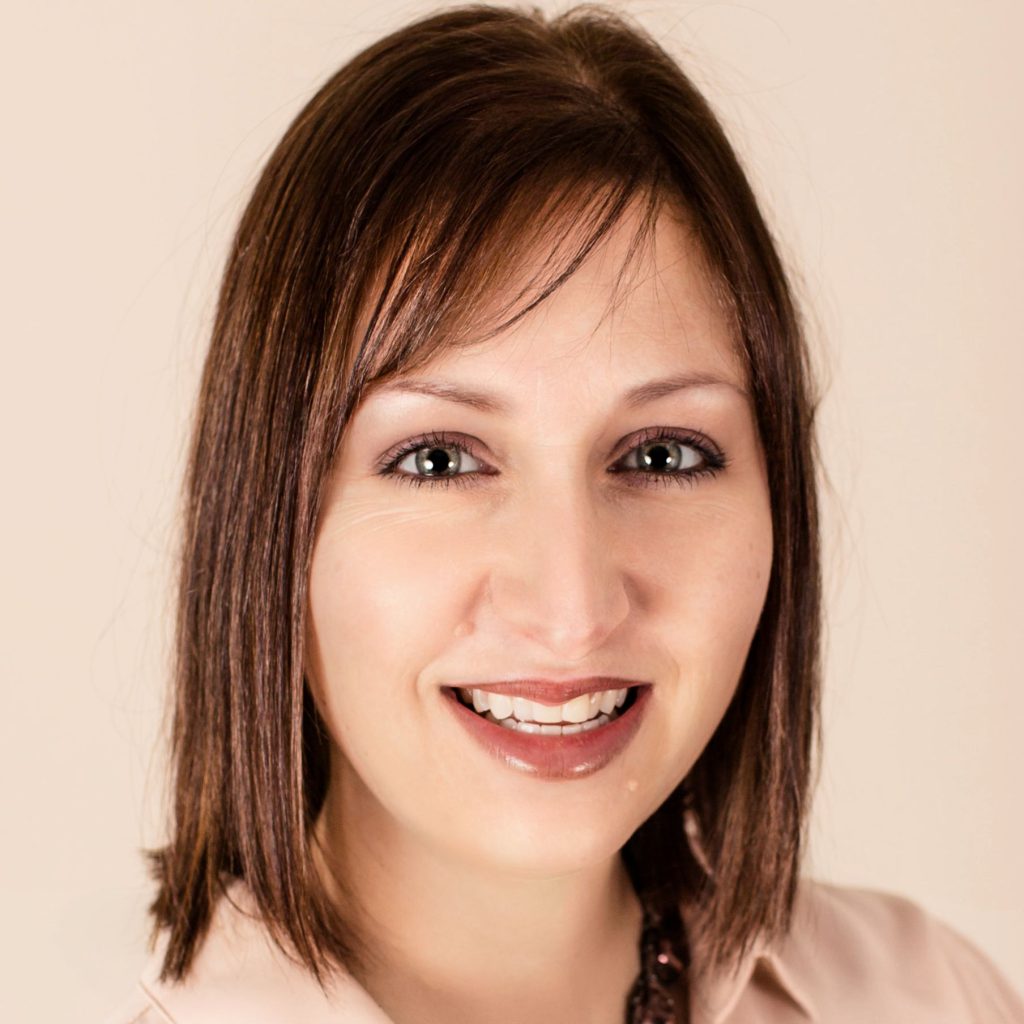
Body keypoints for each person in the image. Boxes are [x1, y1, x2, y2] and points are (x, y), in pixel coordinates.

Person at [104, 4, 1024, 1023]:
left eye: (663, 453)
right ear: (271, 525)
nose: (571, 603)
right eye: (440, 458)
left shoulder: (934, 996)